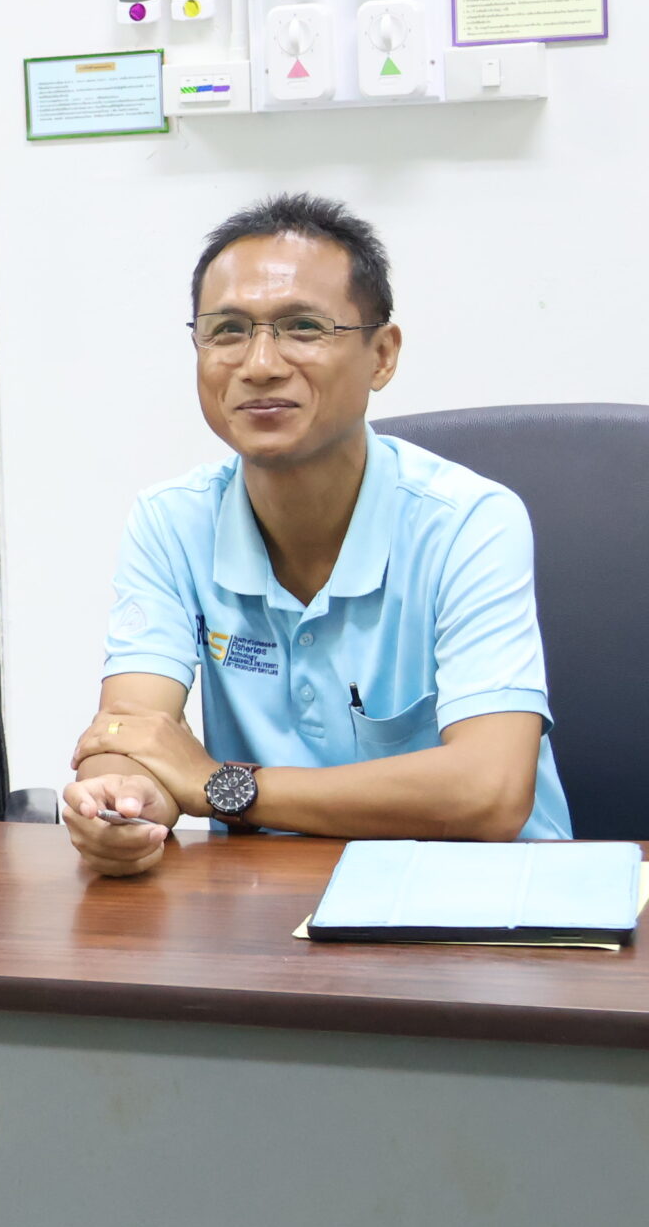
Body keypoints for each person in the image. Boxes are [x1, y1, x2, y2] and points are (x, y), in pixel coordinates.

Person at [65, 193, 569, 877]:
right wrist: (121, 799)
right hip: (266, 900)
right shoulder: (172, 521)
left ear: (382, 355)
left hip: (485, 898)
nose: (260, 364)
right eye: (227, 331)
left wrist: (221, 786)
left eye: (302, 327)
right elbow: (129, 730)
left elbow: (491, 793)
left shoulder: (469, 522)